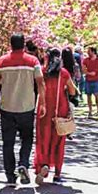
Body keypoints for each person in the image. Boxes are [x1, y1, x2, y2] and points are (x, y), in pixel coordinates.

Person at [0, 33, 46, 186]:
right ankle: (23, 164)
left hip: (7, 107)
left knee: (7, 142)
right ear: (23, 45)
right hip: (26, 107)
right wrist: (42, 103)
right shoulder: (33, 61)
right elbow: (41, 83)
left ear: (10, 44)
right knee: (27, 139)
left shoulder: (0, 62)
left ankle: (10, 175)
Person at [35, 48, 76, 185]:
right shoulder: (63, 73)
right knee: (59, 141)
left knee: (43, 138)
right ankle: (57, 173)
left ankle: (43, 165)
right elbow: (72, 91)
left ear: (47, 57)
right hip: (60, 109)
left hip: (44, 108)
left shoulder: (42, 71)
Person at [82, 46, 98, 118]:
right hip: (88, 80)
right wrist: (89, 73)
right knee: (88, 96)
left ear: (93, 51)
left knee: (96, 95)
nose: (88, 52)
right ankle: (90, 111)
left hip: (96, 80)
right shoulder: (86, 60)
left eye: (89, 51)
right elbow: (83, 70)